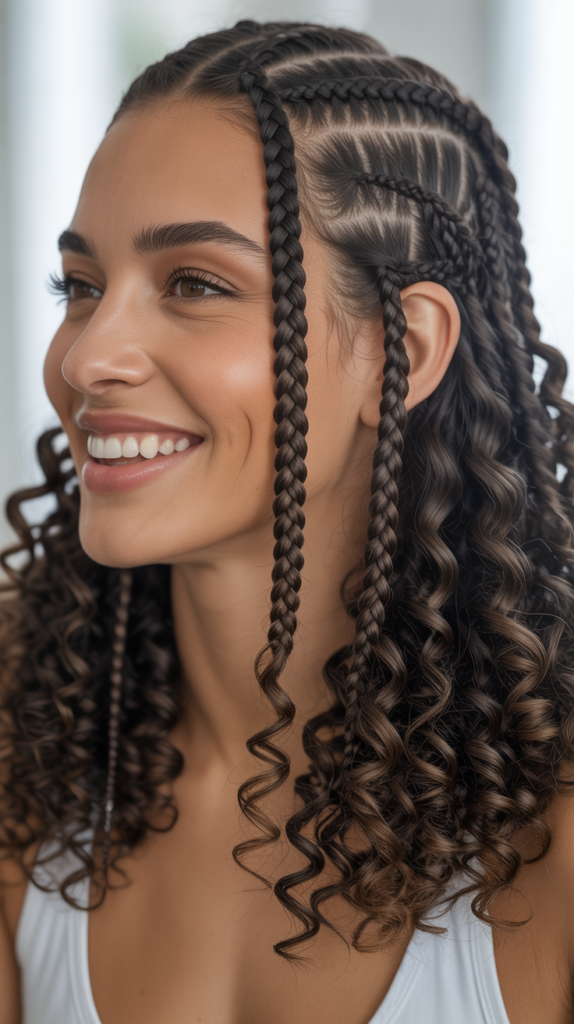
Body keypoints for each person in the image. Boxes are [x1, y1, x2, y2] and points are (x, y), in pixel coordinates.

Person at [1, 19, 574, 1024]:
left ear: (402, 347)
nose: (87, 357)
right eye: (80, 287)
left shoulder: (551, 839)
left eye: (195, 285)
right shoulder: (24, 759)